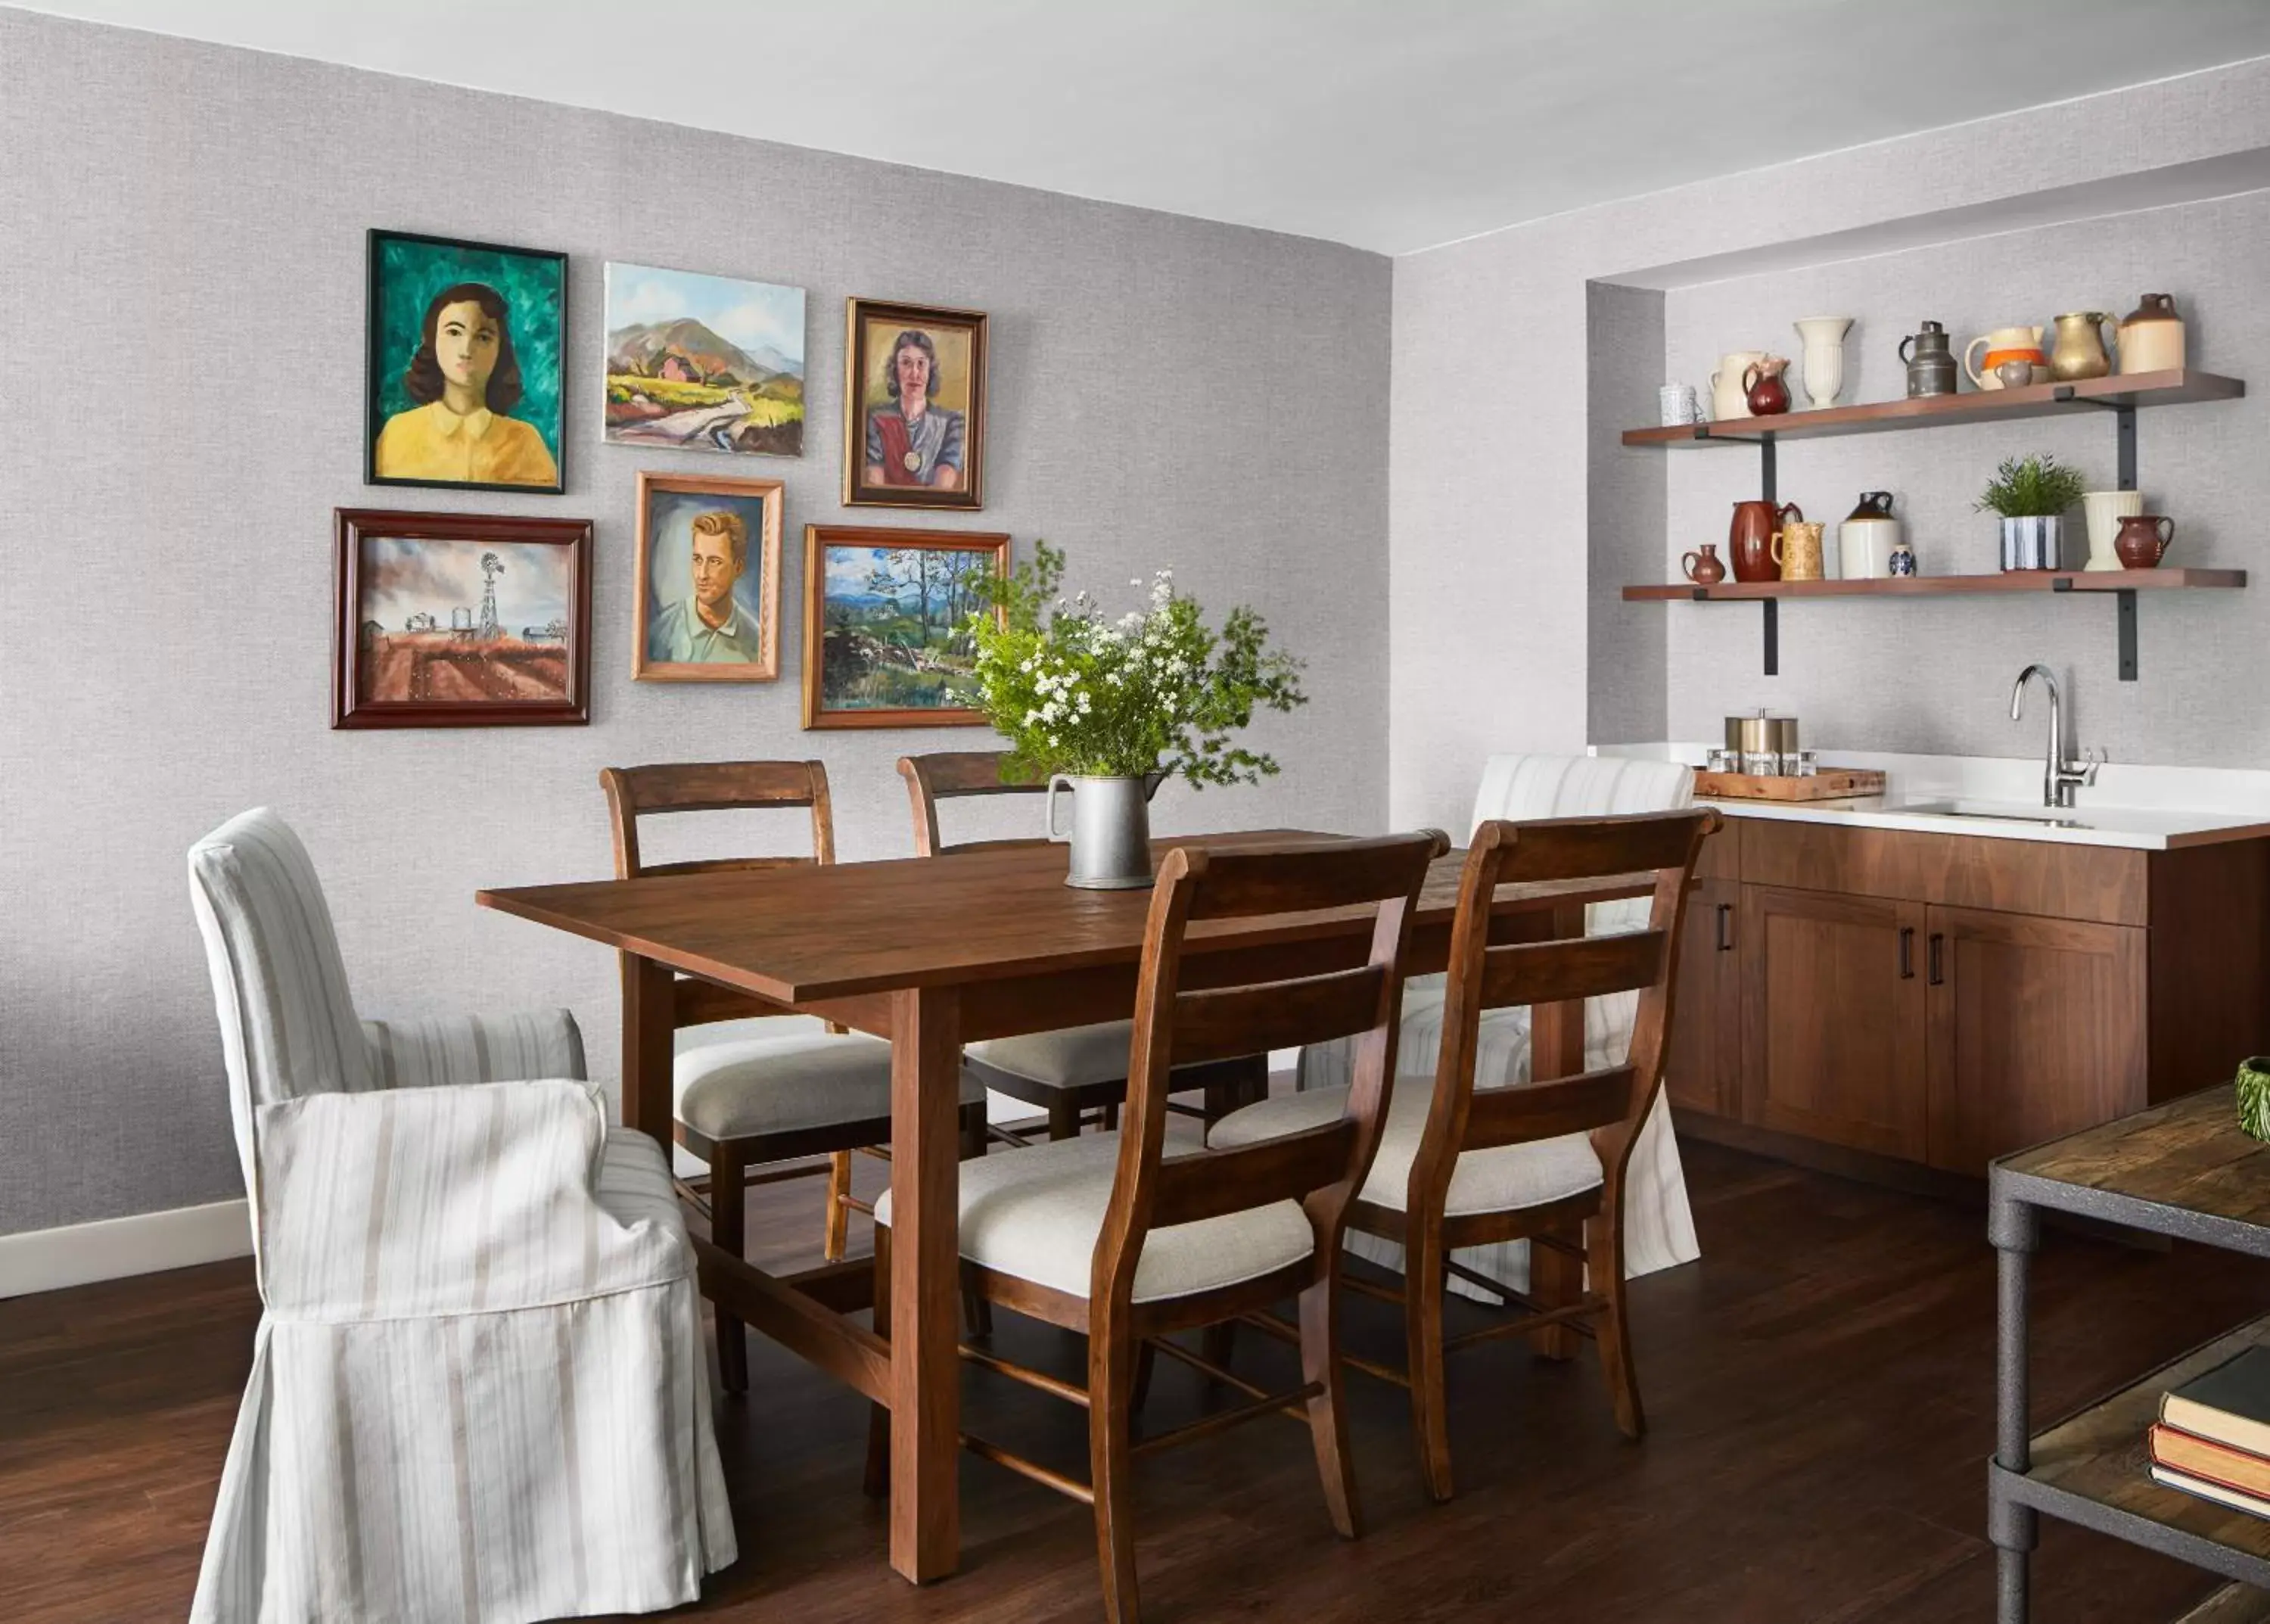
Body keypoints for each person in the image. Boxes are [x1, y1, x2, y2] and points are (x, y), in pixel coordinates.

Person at [374, 282, 558, 487]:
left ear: (500, 350)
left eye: (483, 337)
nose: (466, 350)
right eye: (454, 332)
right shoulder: (399, 433)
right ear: (433, 341)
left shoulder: (525, 441)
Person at [648, 509, 763, 663]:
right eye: (697, 559)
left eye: (715, 562)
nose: (702, 575)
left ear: (738, 568)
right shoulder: (660, 633)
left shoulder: (757, 640)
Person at [863, 328, 964, 489]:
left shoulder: (951, 422)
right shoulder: (875, 419)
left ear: (930, 370)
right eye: (906, 363)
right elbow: (874, 483)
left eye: (921, 364)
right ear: (895, 369)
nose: (914, 373)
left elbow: (943, 488)